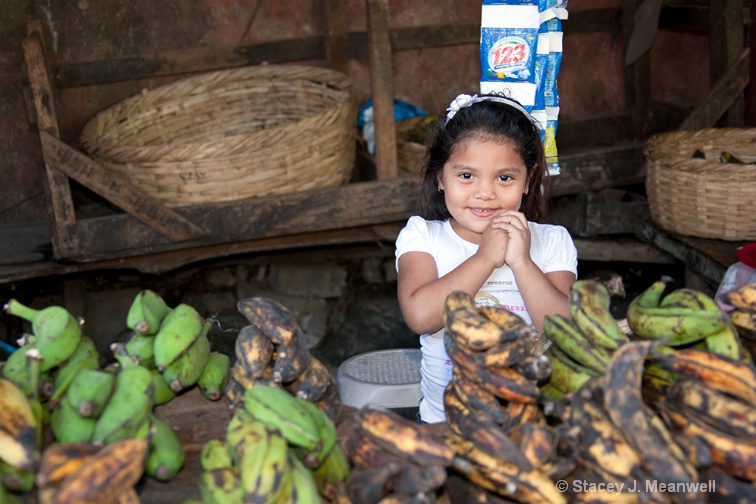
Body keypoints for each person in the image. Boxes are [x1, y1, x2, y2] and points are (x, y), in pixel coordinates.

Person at [395, 92, 578, 424]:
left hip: (531, 422)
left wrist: (521, 262)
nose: (485, 192)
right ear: (440, 177)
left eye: (504, 178)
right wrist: (485, 258)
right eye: (466, 176)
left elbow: (567, 334)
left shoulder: (551, 241)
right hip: (446, 425)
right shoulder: (423, 236)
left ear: (527, 180)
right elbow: (420, 317)